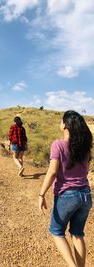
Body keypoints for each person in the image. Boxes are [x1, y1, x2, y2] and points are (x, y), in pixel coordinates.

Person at [39, 110, 93, 267]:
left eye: (61, 121)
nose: (60, 123)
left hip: (67, 196)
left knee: (57, 232)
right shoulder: (84, 148)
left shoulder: (58, 145)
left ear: (65, 125)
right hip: (85, 195)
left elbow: (52, 171)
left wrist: (41, 194)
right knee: (77, 234)